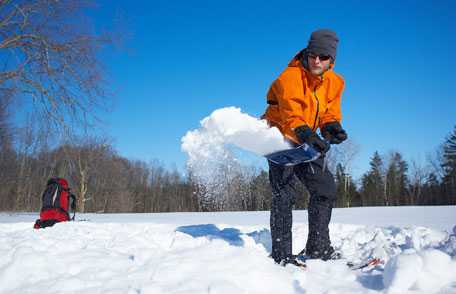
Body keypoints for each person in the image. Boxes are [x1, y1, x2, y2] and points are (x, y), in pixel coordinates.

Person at [262, 29, 348, 266]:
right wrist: (307, 133)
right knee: (285, 193)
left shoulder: (335, 82)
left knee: (325, 189)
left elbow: (328, 110)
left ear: (332, 60)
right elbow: (292, 115)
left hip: (306, 141)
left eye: (323, 56)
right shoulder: (288, 78)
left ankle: (318, 248)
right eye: (313, 55)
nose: (316, 61)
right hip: (279, 137)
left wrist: (331, 126)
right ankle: (282, 255)